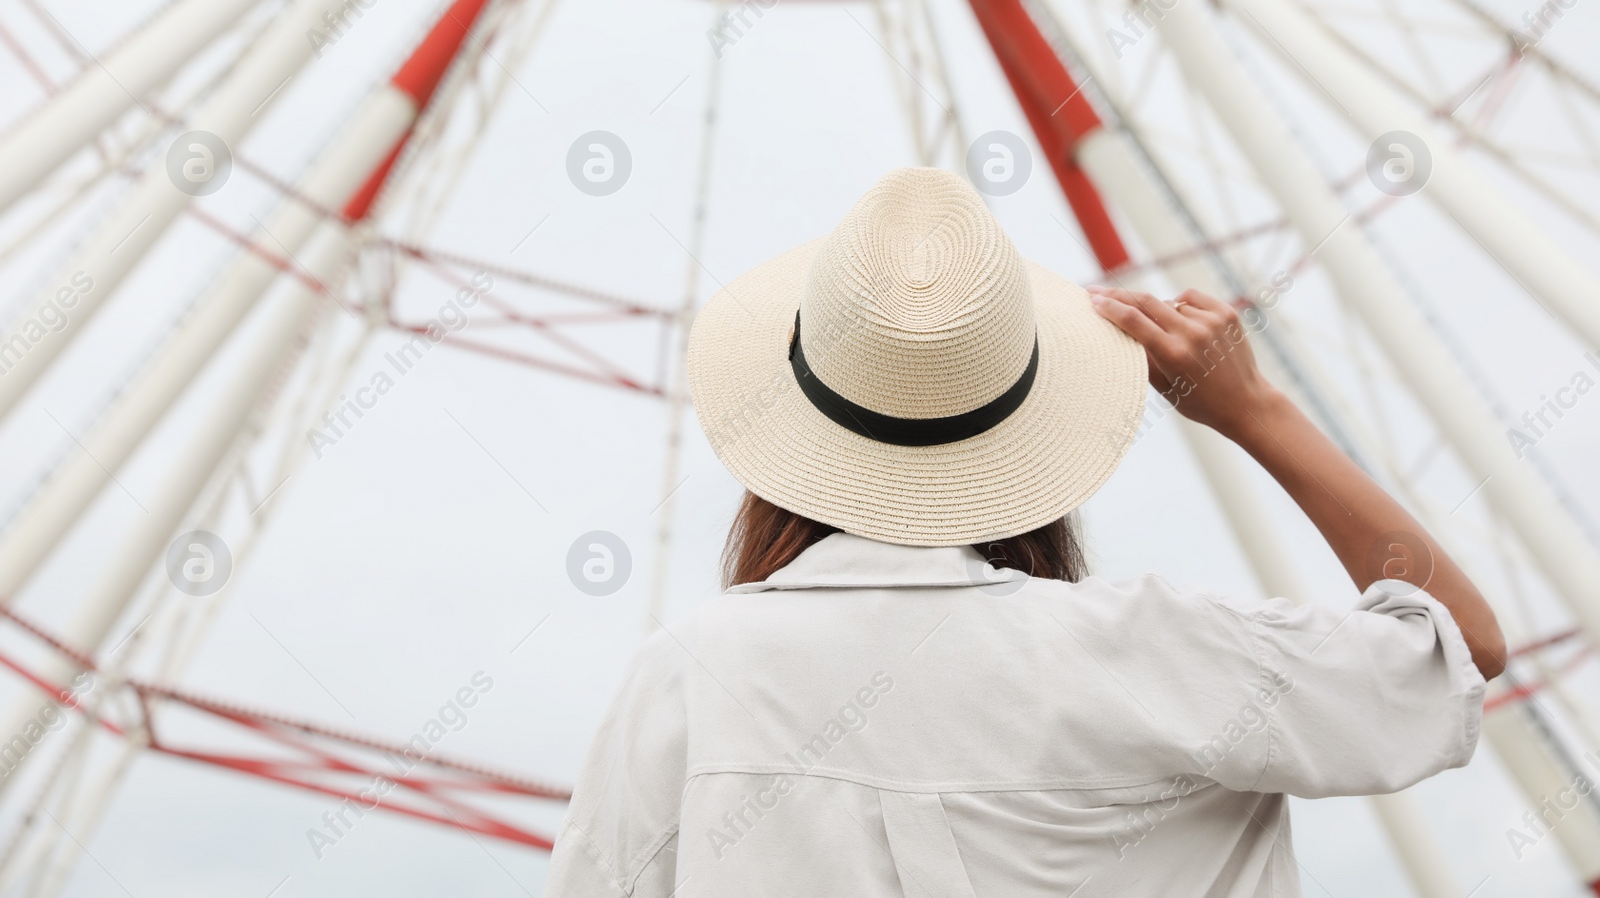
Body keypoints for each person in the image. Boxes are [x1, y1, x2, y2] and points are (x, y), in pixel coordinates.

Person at [545, 167, 1504, 897]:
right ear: (1027, 431)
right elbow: (1455, 645)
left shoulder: (691, 673)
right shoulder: (1162, 652)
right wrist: (1256, 412)